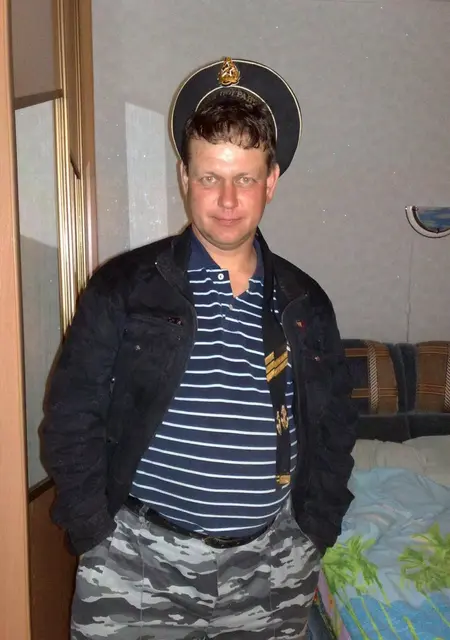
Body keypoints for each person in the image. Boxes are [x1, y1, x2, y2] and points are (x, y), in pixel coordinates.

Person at [42, 57, 357, 640]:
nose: (228, 199)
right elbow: (70, 416)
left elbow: (336, 425)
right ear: (184, 177)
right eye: (210, 177)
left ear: (271, 181)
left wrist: (316, 530)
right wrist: (92, 531)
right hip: (136, 567)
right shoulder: (123, 289)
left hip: (271, 571)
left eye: (245, 178)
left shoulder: (305, 303)